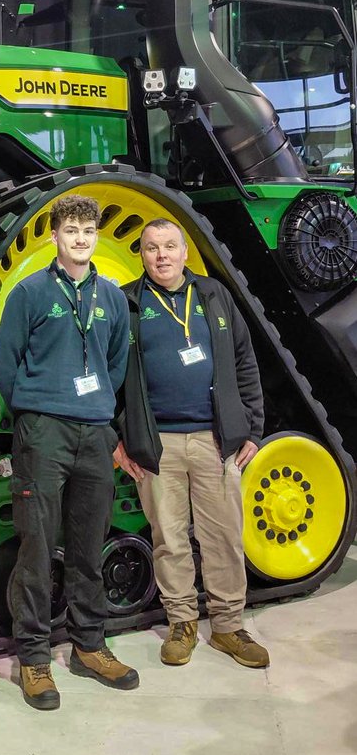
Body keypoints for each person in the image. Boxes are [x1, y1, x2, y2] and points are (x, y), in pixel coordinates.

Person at [0, 194, 138, 711]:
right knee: (35, 549)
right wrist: (36, 412)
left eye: (88, 230)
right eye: (71, 229)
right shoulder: (29, 293)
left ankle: (89, 646)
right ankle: (33, 658)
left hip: (96, 433)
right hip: (44, 432)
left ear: (96, 236)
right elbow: (5, 366)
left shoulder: (113, 298)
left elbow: (116, 362)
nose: (80, 238)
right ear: (54, 235)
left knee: (87, 546)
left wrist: (97, 404)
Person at [114, 218, 269, 668]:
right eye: (151, 248)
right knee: (170, 538)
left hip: (213, 439)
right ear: (140, 255)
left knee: (223, 536)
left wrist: (253, 428)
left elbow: (244, 361)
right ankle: (181, 622)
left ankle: (228, 626)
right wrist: (118, 439)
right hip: (157, 444)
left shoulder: (213, 296)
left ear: (185, 252)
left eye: (169, 246)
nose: (161, 255)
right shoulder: (127, 303)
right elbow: (108, 379)